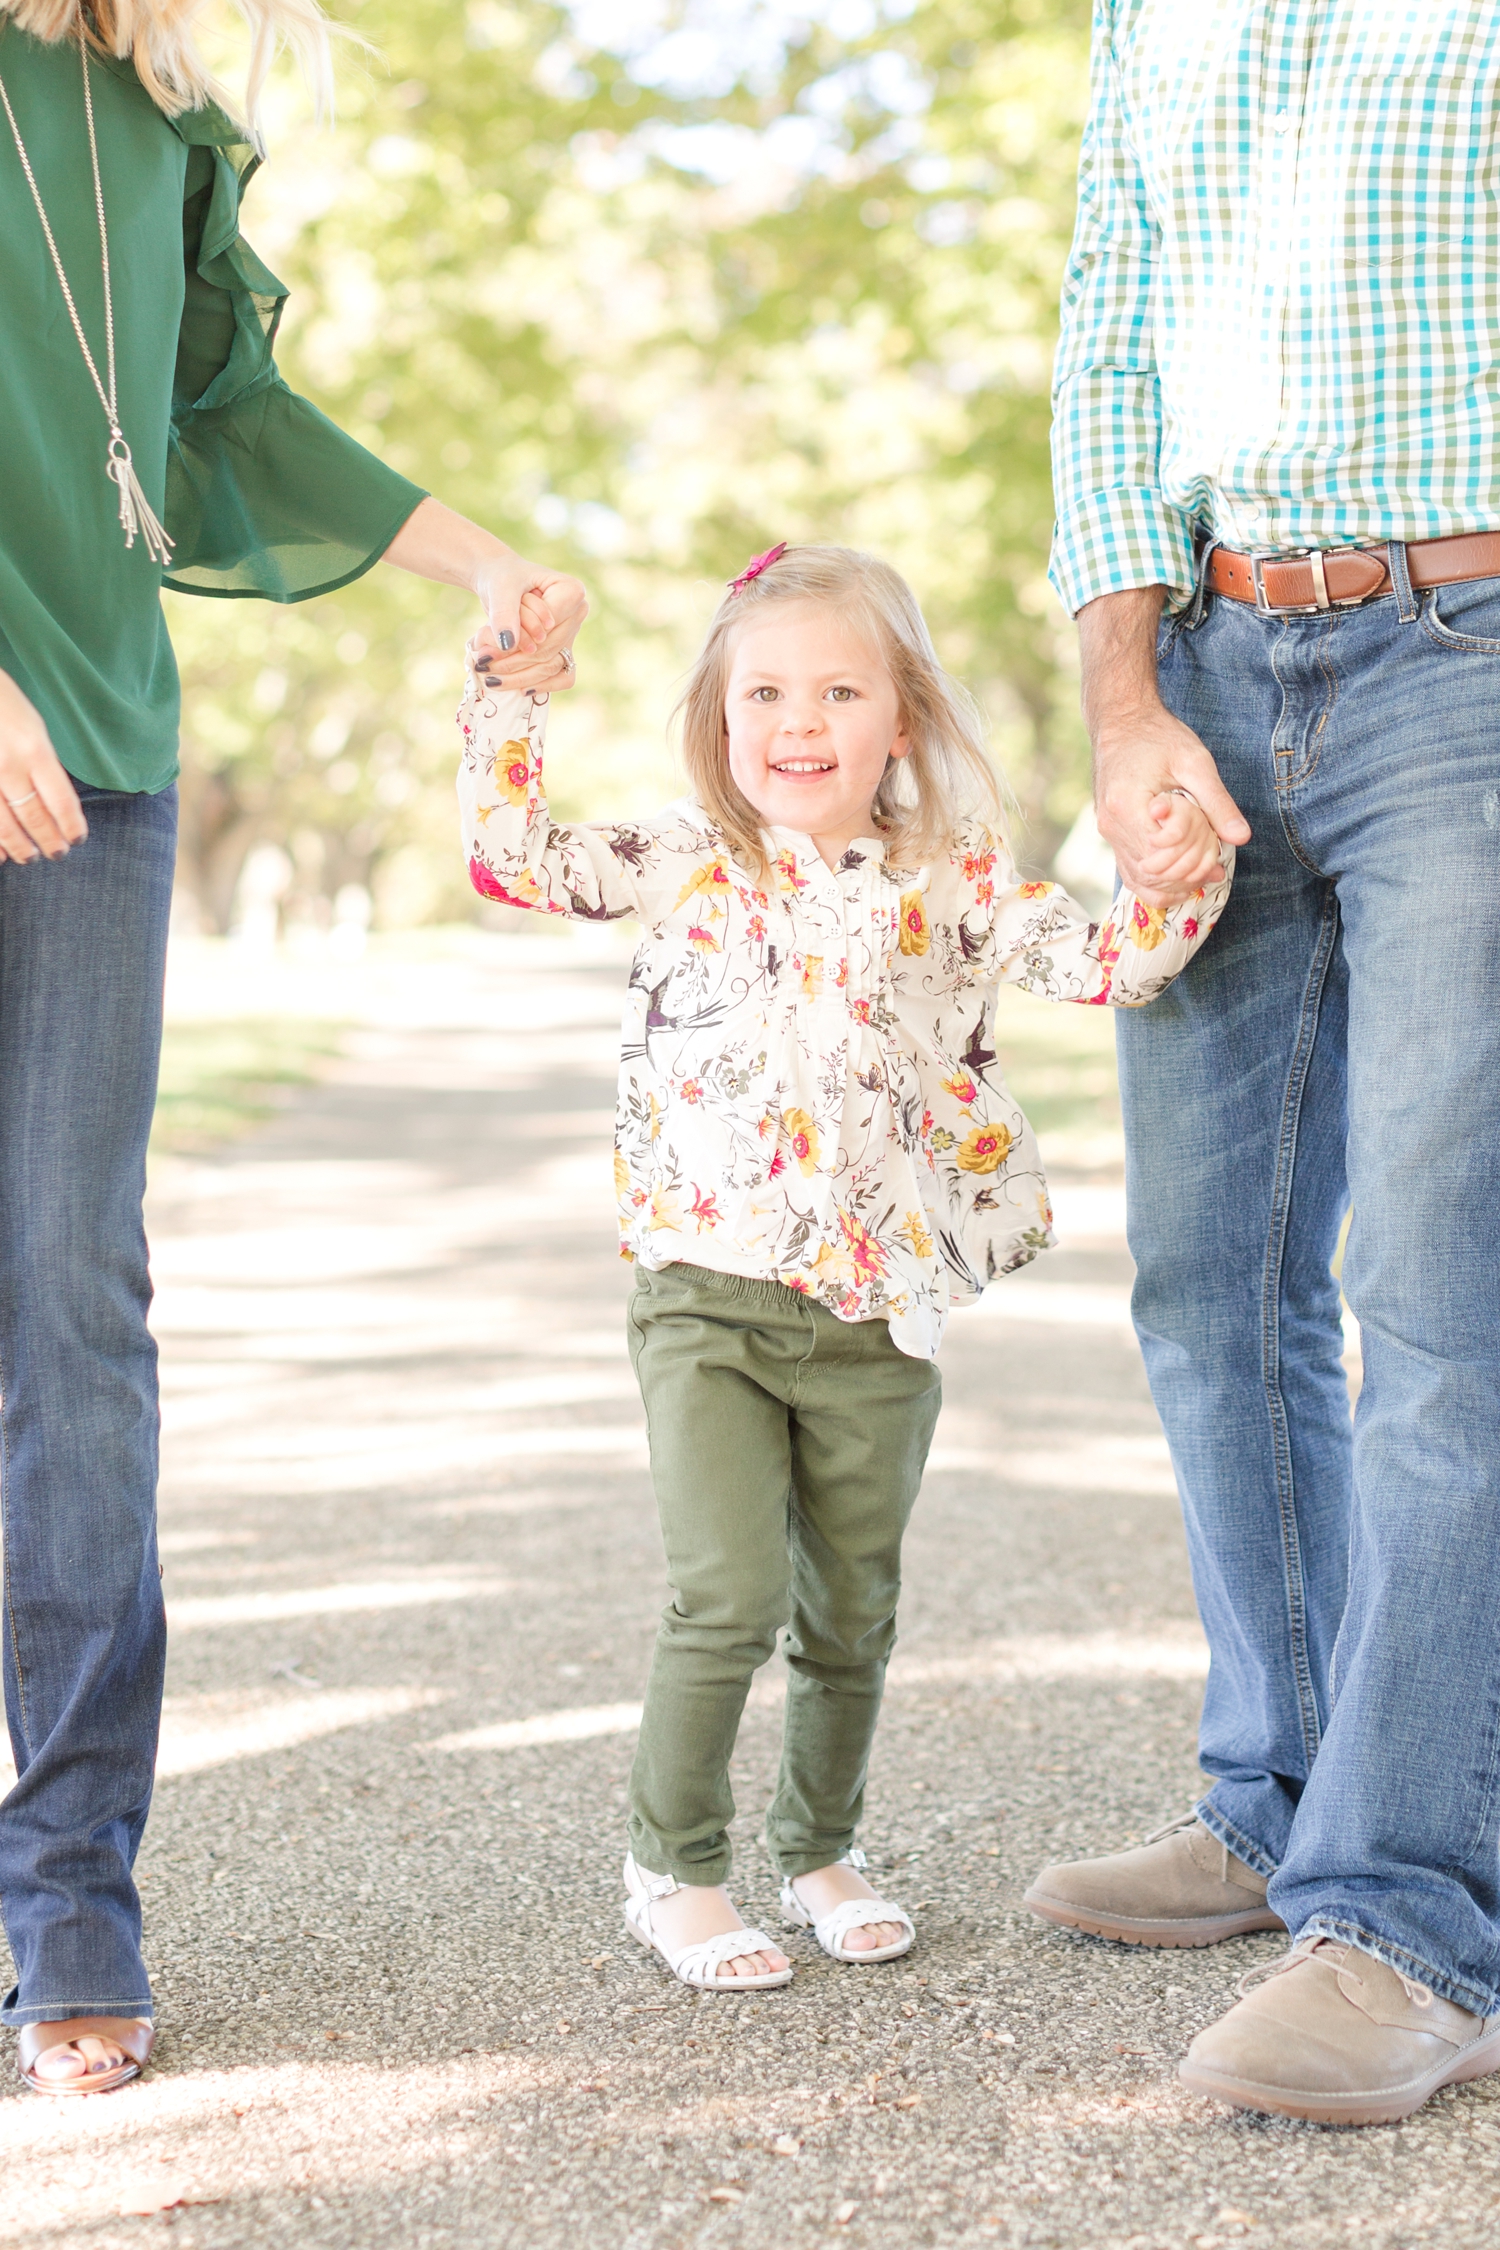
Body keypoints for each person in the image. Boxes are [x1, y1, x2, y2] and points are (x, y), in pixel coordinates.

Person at [0, 0, 583, 2096]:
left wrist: (482, 555)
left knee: (73, 1318)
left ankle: (69, 1892)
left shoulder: (162, 120)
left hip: (103, 781)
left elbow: (226, 419)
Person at [457, 542, 1229, 1989]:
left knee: (850, 1610)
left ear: (904, 721)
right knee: (725, 1594)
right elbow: (513, 853)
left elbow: (1114, 962)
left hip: (883, 1310)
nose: (796, 720)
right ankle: (673, 1865)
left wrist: (1178, 871)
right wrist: (511, 692)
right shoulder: (683, 858)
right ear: (721, 716)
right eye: (764, 692)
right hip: (709, 1296)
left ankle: (819, 1848)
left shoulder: (956, 880)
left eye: (836, 689)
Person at [1026, 0, 1500, 2127]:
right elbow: (1108, 345)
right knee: (1206, 1285)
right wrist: (1128, 705)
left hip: (1469, 660)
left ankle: (1409, 1920)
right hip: (1211, 659)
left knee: (1440, 1305)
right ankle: (1283, 1781)